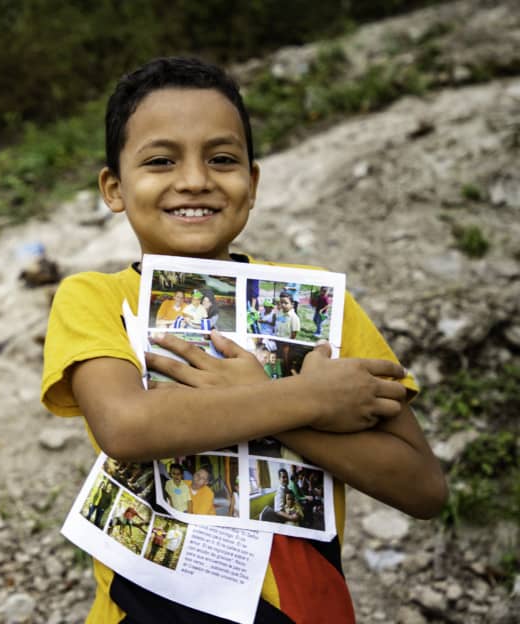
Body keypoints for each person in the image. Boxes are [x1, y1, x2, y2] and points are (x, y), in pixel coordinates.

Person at [41, 56, 446, 623]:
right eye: (160, 160)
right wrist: (309, 400)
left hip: (302, 608)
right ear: (114, 187)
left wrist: (271, 407)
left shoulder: (323, 310)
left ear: (251, 184)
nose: (195, 180)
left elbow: (424, 488)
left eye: (222, 159)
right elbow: (127, 427)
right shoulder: (96, 298)